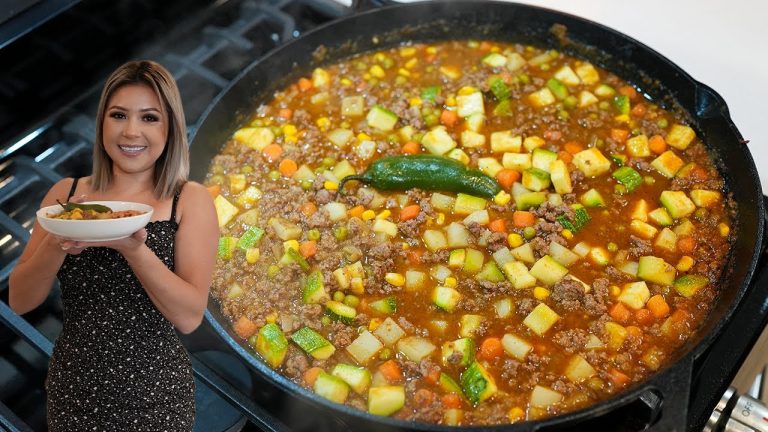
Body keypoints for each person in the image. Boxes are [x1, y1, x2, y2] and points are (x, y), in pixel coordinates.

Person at [8, 60, 219, 431]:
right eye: (119, 115)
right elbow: (20, 300)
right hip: (72, 393)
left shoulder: (189, 199)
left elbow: (189, 317)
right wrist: (57, 244)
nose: (131, 132)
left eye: (150, 118)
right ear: (102, 123)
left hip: (156, 397)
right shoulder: (67, 194)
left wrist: (134, 249)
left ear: (170, 128)